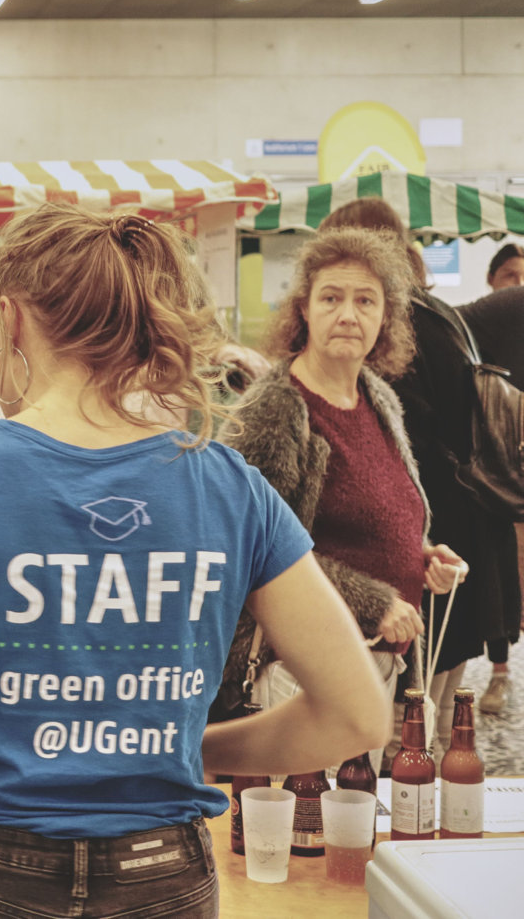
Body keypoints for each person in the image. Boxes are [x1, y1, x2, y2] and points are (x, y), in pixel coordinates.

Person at [0, 205, 392, 919]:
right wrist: (188, 746)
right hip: (163, 874)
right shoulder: (228, 487)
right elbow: (356, 716)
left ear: (11, 319)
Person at [215, 226, 463, 770]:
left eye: (365, 301)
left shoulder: (378, 397)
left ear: (386, 316)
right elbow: (251, 545)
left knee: (352, 815)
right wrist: (373, 601)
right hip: (297, 672)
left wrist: (421, 555)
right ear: (304, 309)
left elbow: (381, 515)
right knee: (310, 818)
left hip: (373, 662)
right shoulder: (276, 408)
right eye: (331, 298)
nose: (348, 314)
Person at [317, 199, 512, 749]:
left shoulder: (401, 326)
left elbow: (406, 449)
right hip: (466, 535)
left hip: (430, 544)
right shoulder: (441, 314)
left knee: (410, 728)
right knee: (438, 721)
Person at [459, 277, 524, 712]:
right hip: (489, 458)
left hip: (498, 454)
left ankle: (499, 673)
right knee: (499, 562)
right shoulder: (511, 307)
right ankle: (498, 672)